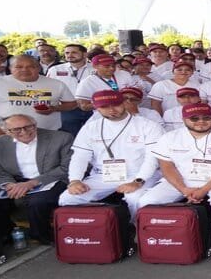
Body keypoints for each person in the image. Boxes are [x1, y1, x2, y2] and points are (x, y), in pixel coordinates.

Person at [138, 103, 211, 249]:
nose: (201, 121)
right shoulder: (170, 137)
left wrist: (204, 189)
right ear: (184, 119)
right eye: (194, 118)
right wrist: (184, 189)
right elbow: (167, 167)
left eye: (206, 117)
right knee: (148, 200)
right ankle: (159, 233)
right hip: (181, 179)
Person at [58, 90, 164, 221]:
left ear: (124, 103)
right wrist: (74, 180)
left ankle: (138, 230)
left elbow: (152, 158)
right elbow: (80, 157)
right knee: (68, 198)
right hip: (103, 175)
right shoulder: (90, 128)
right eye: (104, 107)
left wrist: (138, 181)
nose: (111, 110)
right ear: (96, 108)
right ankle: (101, 229)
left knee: (136, 198)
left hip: (140, 174)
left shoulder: (148, 126)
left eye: (116, 104)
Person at [0, 114, 73, 244]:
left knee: (39, 202)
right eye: (17, 129)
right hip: (16, 180)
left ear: (35, 125)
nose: (24, 132)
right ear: (7, 131)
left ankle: (41, 236)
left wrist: (33, 182)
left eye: (28, 127)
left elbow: (66, 167)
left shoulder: (60, 138)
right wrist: (9, 185)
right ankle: (4, 236)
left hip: (50, 179)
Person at [0, 55, 78, 137]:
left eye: (31, 66)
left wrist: (54, 108)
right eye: (19, 67)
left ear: (38, 68)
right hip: (8, 134)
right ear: (10, 68)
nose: (25, 70)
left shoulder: (56, 84)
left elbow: (72, 104)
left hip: (48, 134)